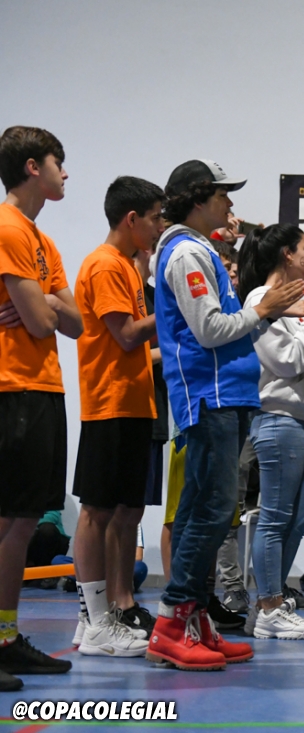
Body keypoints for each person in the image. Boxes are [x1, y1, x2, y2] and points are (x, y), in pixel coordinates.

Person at [145, 159, 304, 671]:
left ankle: (195, 620)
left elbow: (227, 332)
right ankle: (173, 623)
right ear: (197, 198)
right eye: (222, 194)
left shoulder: (198, 250)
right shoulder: (187, 252)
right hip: (210, 397)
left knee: (204, 509)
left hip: (225, 394)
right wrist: (263, 309)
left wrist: (270, 313)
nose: (230, 204)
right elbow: (211, 330)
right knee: (212, 511)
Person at [238, 223, 304, 640]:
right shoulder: (260, 301)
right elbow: (290, 361)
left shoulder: (299, 302)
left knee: (300, 518)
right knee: (275, 517)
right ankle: (268, 606)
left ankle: (272, 602)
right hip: (279, 418)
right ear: (286, 254)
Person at [0, 126, 80, 690]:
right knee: (13, 523)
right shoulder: (7, 227)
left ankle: (7, 637)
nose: (65, 173)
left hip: (44, 388)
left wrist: (44, 298)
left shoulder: (42, 240)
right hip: (14, 389)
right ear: (33, 167)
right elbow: (41, 323)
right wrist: (45, 306)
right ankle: (1, 640)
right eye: (59, 162)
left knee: (24, 524)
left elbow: (74, 322)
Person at [71, 176, 165, 658]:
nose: (158, 227)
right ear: (132, 219)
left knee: (124, 509)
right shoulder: (105, 264)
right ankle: (92, 617)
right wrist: (175, 309)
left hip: (133, 402)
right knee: (96, 510)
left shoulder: (128, 268)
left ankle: (108, 612)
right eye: (154, 218)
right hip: (108, 403)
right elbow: (127, 334)